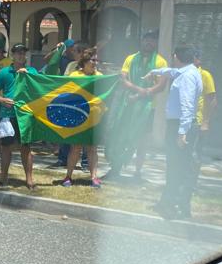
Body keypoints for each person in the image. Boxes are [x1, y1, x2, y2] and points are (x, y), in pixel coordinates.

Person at [145, 46, 203, 219]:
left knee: (179, 167)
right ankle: (168, 202)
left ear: (176, 56)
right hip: (179, 125)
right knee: (174, 166)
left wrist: (182, 132)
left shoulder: (187, 77)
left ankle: (178, 206)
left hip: (180, 126)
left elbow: (187, 105)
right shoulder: (185, 72)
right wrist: (154, 71)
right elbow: (170, 71)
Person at [103, 30, 168, 181]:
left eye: (152, 40)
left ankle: (137, 172)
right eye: (146, 39)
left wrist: (142, 94)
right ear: (141, 41)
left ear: (156, 43)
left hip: (147, 107)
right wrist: (140, 90)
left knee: (141, 140)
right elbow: (123, 79)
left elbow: (161, 85)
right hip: (128, 104)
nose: (148, 43)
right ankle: (115, 168)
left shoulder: (160, 62)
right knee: (120, 135)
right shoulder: (131, 58)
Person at [0, 43, 38, 189]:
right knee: (5, 147)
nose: (21, 56)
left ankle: (29, 180)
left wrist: (28, 75)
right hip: (7, 115)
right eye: (18, 53)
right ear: (13, 55)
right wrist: (1, 100)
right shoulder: (4, 72)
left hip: (25, 115)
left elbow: (39, 87)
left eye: (23, 53)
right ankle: (3, 177)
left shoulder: (32, 71)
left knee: (26, 147)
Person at [60, 47, 102, 188]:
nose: (95, 63)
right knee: (76, 148)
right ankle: (68, 176)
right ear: (85, 61)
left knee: (92, 148)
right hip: (78, 117)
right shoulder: (75, 75)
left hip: (94, 118)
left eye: (97, 60)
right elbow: (64, 92)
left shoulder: (100, 76)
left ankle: (94, 177)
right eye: (93, 60)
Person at [194, 49, 217, 151]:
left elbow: (212, 99)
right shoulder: (182, 74)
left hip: (197, 122)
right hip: (182, 121)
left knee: (194, 154)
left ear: (199, 60)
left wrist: (205, 122)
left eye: (192, 59)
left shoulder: (205, 75)